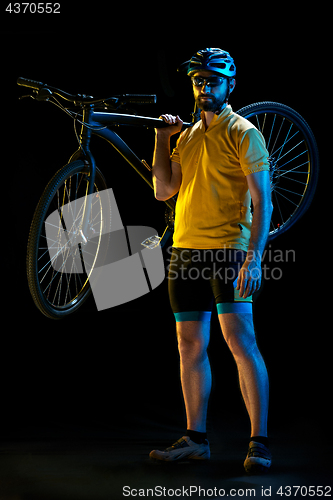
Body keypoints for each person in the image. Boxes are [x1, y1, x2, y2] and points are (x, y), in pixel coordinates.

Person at [150, 48, 273, 474]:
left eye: (213, 81)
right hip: (185, 251)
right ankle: (196, 439)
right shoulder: (186, 136)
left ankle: (259, 442)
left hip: (229, 251)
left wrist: (254, 259)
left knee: (240, 342)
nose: (205, 88)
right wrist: (162, 140)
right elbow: (164, 190)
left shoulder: (244, 132)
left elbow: (263, 201)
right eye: (199, 81)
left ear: (230, 86)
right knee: (189, 345)